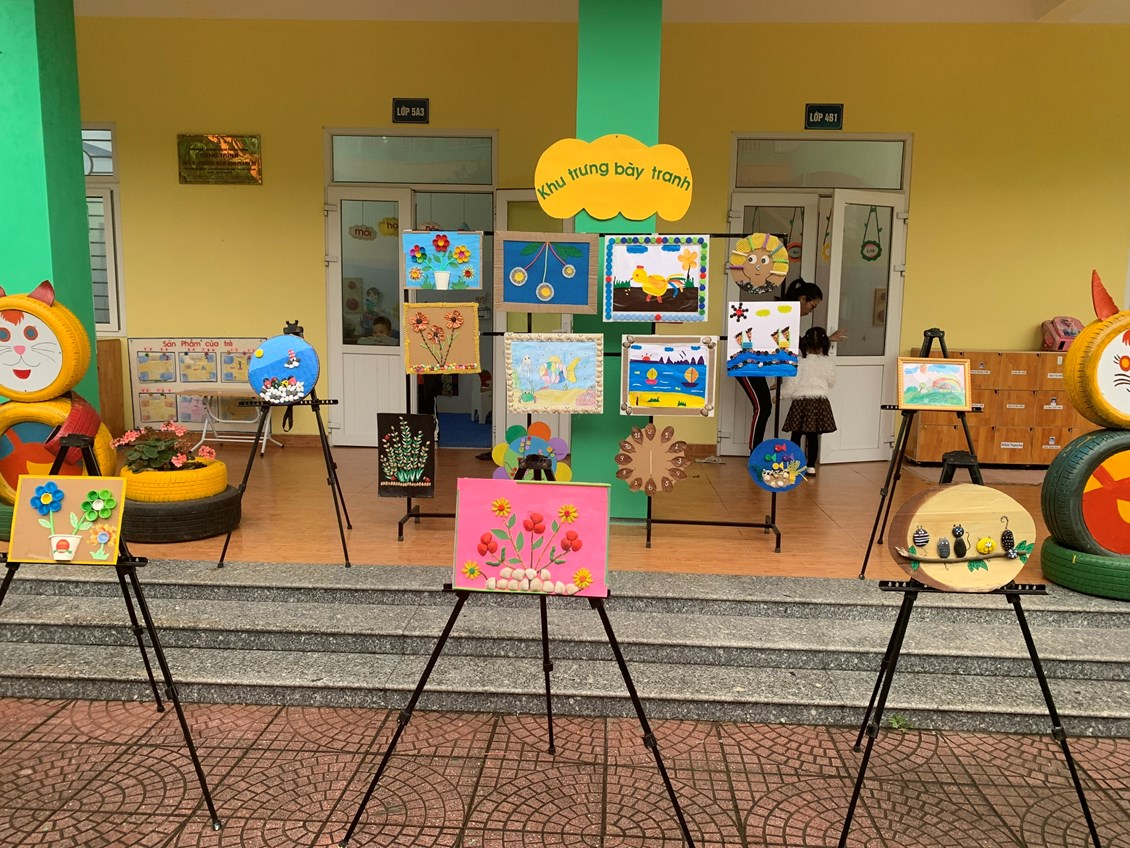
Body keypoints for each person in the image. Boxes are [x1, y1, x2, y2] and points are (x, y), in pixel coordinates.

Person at [781, 326, 837, 475]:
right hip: (819, 401)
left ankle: (793, 466)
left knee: (796, 435)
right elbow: (831, 381)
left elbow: (791, 384)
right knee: (813, 437)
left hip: (800, 402)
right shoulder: (828, 362)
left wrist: (781, 395)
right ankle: (811, 466)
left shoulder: (799, 362)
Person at [783, 279, 848, 343]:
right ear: (803, 299)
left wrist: (828, 339)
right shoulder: (784, 316)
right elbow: (798, 343)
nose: (811, 311)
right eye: (813, 306)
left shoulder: (789, 316)